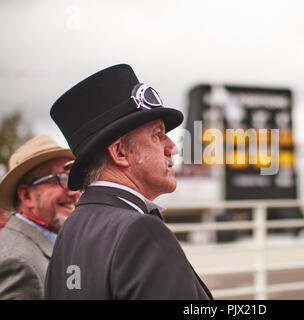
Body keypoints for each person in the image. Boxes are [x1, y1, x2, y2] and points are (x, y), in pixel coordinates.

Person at [45, 64, 212, 300]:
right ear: (120, 153)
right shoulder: (141, 230)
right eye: (157, 134)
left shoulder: (71, 229)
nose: (172, 147)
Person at [0, 135, 80, 299]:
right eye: (59, 179)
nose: (74, 192)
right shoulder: (18, 262)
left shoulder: (56, 242)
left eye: (73, 178)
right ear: (27, 195)